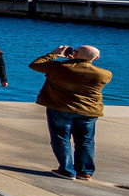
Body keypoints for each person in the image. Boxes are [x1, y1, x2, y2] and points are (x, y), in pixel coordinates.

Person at [30, 45, 111, 180]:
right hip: (89, 111)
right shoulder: (105, 74)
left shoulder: (60, 67)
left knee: (61, 139)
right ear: (96, 58)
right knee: (86, 141)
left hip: (61, 107)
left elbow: (35, 65)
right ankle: (85, 171)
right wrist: (72, 61)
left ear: (76, 53)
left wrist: (54, 54)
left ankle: (67, 170)